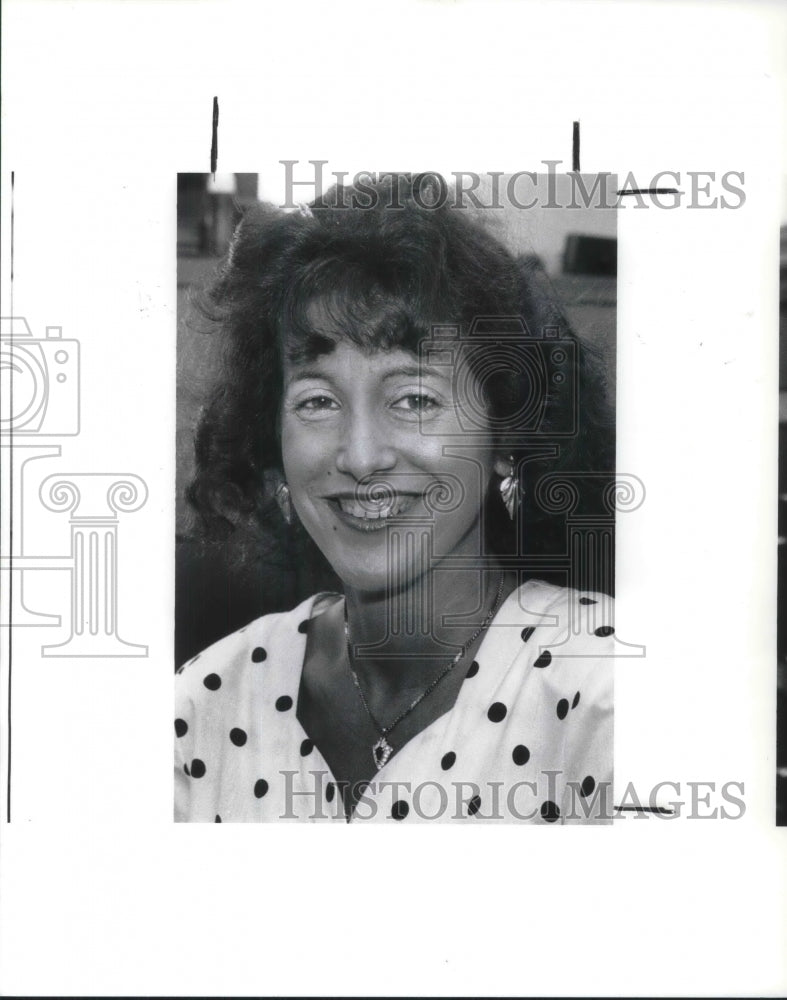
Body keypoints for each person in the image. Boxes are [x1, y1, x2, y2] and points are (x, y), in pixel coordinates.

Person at [175, 174, 616, 823]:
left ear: (505, 436)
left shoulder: (611, 690)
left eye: (414, 398)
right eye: (317, 401)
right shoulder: (203, 701)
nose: (358, 456)